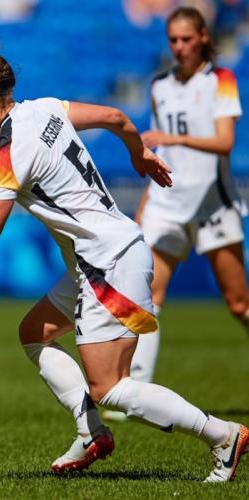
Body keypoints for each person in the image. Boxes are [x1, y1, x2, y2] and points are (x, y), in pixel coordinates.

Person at [0, 33, 248, 482]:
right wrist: (139, 153)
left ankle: (222, 436)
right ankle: (90, 433)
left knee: (109, 387)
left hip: (106, 264)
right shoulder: (45, 108)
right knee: (33, 333)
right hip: (100, 257)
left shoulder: (6, 153)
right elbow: (116, 117)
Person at [110, 7, 248, 421]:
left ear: (204, 37)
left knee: (238, 304)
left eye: (187, 39)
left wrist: (172, 137)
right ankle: (135, 392)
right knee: (147, 296)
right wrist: (146, 201)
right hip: (167, 204)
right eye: (173, 39)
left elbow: (224, 142)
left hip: (211, 203)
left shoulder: (220, 81)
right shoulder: (160, 86)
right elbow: (160, 154)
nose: (179, 46)